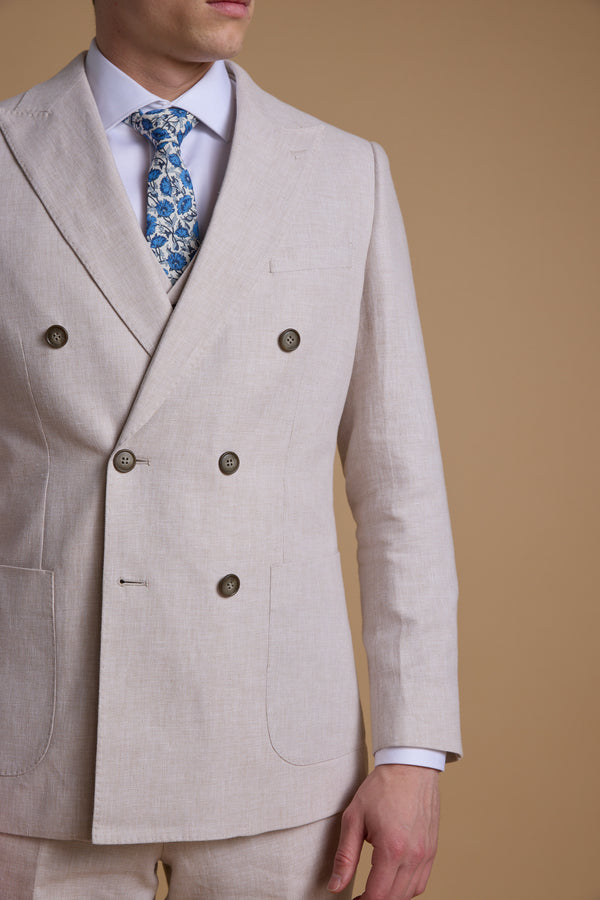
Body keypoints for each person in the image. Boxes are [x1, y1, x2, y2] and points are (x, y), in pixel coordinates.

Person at [0, 0, 462, 897]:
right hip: (39, 753)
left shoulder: (342, 174)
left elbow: (399, 485)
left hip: (280, 761)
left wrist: (413, 752)